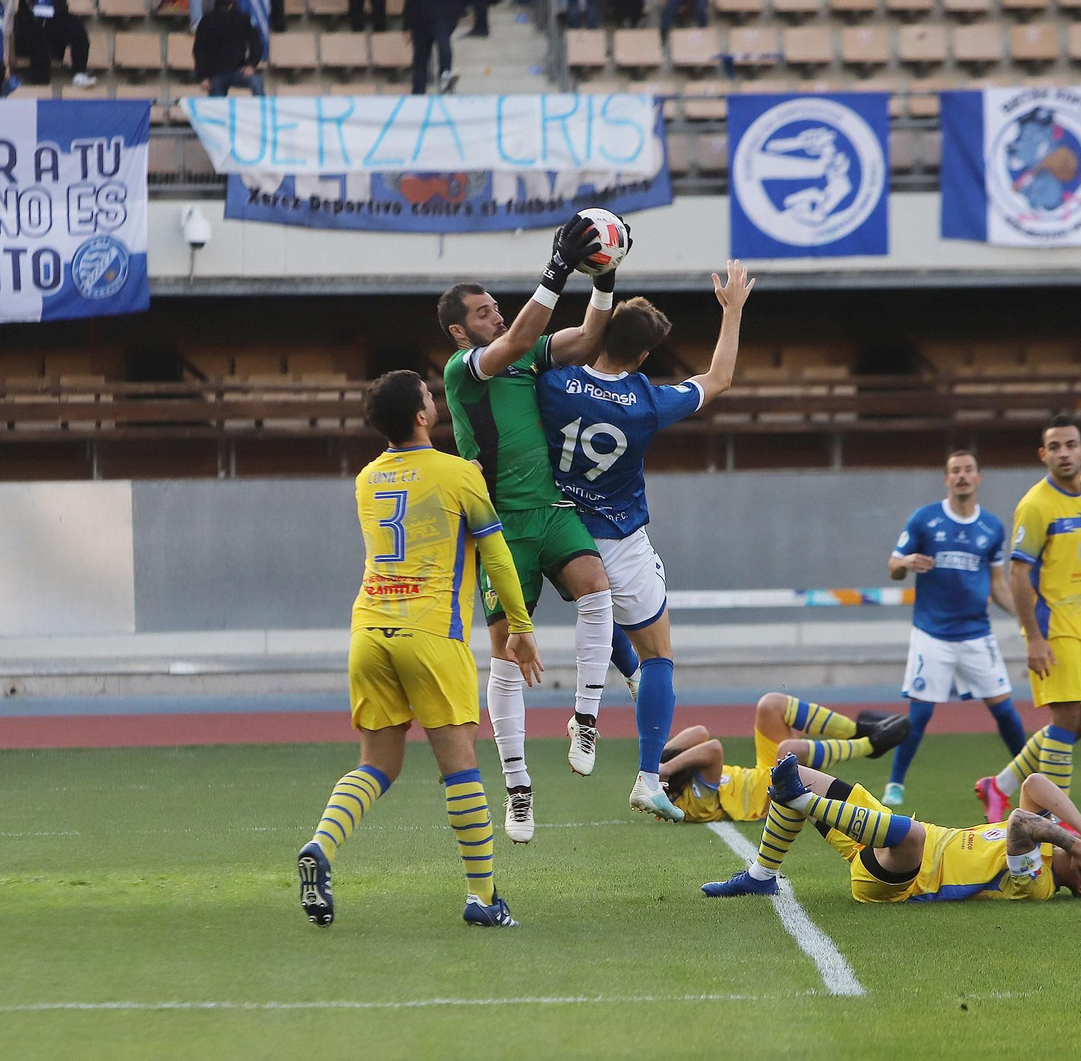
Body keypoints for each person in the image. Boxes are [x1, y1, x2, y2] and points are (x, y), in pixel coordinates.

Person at [295, 370, 542, 930]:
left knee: (377, 763)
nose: (435, 401)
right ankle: (483, 897)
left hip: (369, 631)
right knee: (460, 766)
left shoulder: (366, 479)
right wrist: (521, 625)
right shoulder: (458, 474)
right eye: (430, 396)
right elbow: (497, 556)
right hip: (431, 633)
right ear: (422, 416)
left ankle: (321, 846)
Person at [533, 260, 757, 821]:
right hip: (620, 538)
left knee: (594, 607)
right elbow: (719, 379)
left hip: (559, 533)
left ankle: (622, 679)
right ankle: (648, 777)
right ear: (643, 356)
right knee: (660, 655)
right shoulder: (646, 402)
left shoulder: (551, 382)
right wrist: (731, 311)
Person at [440, 214, 625, 844]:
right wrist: (557, 268)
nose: (497, 316)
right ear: (459, 330)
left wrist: (604, 278)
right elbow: (519, 337)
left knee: (597, 588)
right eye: (484, 312)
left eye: (497, 308)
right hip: (499, 527)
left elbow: (588, 339)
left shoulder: (520, 354)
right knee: (507, 653)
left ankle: (585, 718)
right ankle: (518, 786)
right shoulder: (465, 368)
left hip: (550, 509)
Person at [702, 752, 1081, 902]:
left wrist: (1075, 843)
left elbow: (1021, 822)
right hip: (881, 836)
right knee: (800, 773)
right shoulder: (1058, 844)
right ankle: (761, 876)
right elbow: (1034, 784)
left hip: (901, 878)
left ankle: (798, 800)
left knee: (913, 834)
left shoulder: (1037, 883)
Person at [972, 415, 1081, 823]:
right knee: (1065, 719)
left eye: (1070, 445)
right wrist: (1033, 637)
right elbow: (1018, 574)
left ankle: (999, 785)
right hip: (1052, 626)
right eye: (1055, 447)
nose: (1064, 453)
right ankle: (1055, 822)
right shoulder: (1035, 505)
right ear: (1043, 455)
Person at [882, 451, 1028, 807]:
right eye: (955, 471)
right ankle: (895, 785)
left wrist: (1026, 619)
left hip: (976, 633)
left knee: (1005, 710)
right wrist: (906, 562)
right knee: (920, 713)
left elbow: (998, 583)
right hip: (932, 634)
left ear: (978, 478)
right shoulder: (924, 519)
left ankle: (1032, 780)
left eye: (968, 470)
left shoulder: (992, 527)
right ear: (947, 479)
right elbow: (893, 567)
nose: (962, 476)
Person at [659, 693, 909, 826]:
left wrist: (654, 764)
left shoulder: (682, 776)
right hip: (775, 797)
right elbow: (713, 748)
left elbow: (699, 732)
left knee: (770, 705)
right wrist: (667, 767)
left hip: (764, 771)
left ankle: (859, 730)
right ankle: (870, 745)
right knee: (788, 751)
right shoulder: (693, 805)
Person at [193, 0, 263, 97]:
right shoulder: (207, 20)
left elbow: (256, 43)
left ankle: (261, 107)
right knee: (216, 105)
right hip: (215, 75)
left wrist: (251, 64)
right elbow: (199, 50)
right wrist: (203, 77)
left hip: (238, 70)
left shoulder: (243, 19)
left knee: (256, 81)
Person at [17, 0, 93, 87]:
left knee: (77, 30)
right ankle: (41, 85)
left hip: (54, 17)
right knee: (38, 41)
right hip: (31, 20)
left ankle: (79, 73)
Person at [402, 0, 462, 94]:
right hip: (420, 17)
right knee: (420, 57)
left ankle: (445, 77)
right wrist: (407, 24)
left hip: (443, 14)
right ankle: (418, 92)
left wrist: (457, 14)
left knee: (443, 46)